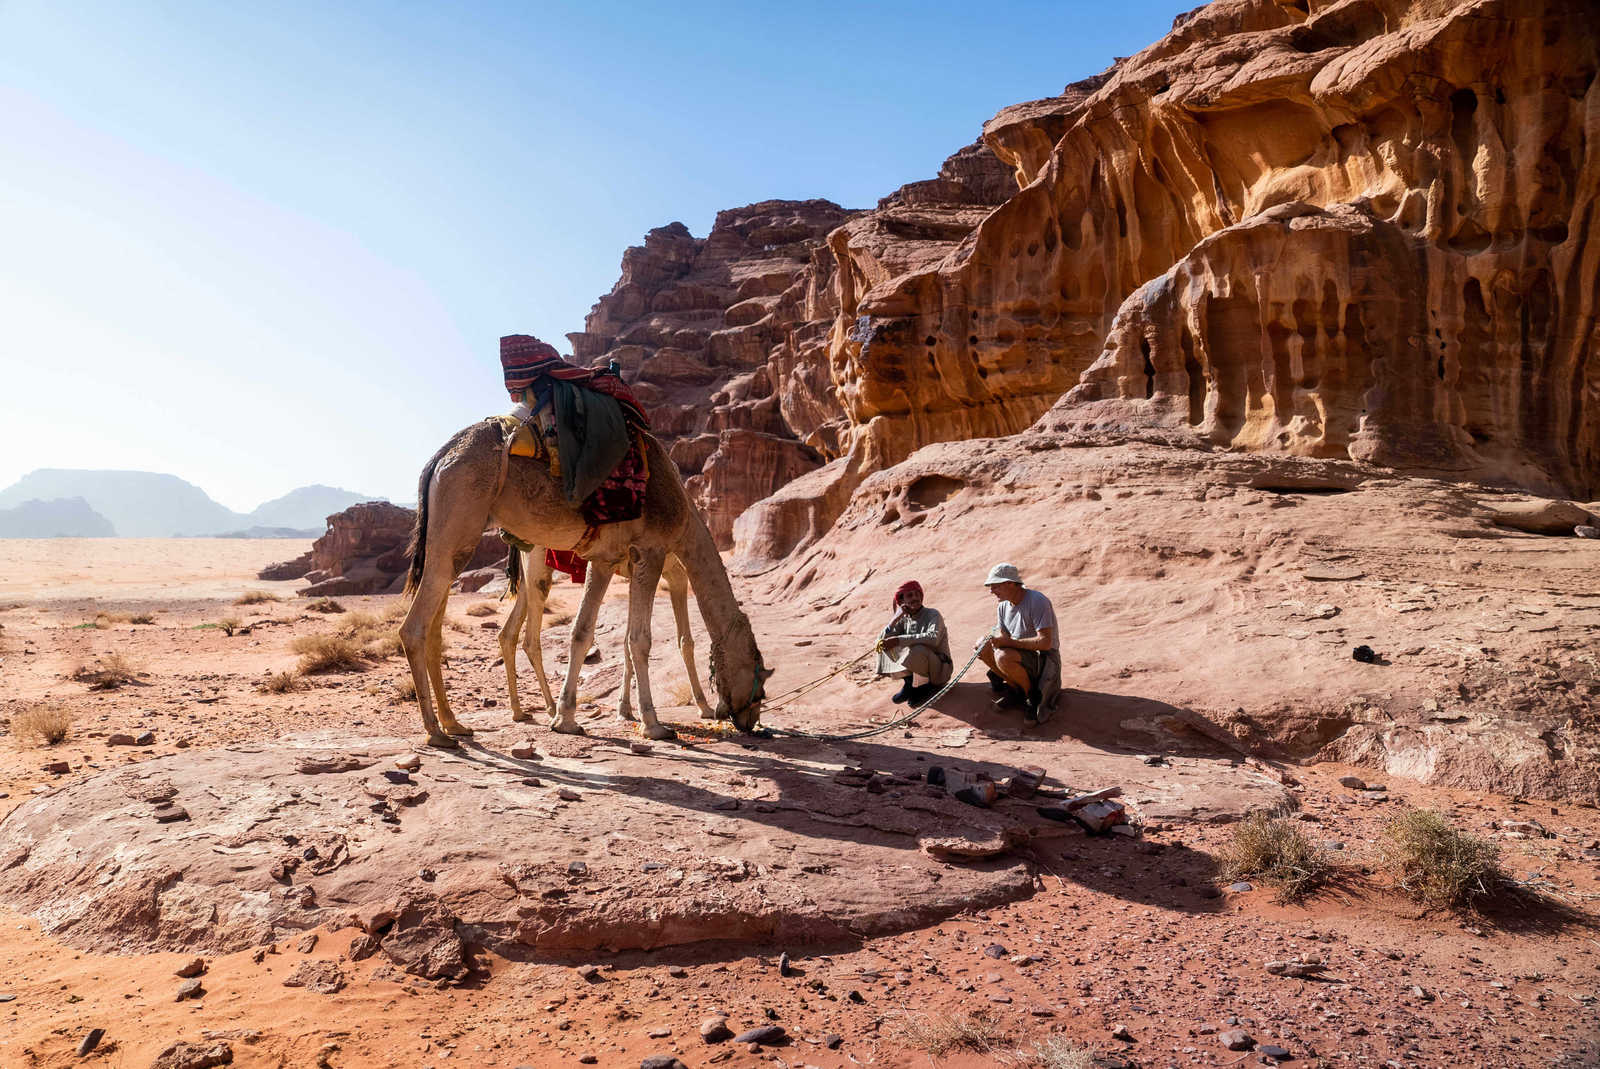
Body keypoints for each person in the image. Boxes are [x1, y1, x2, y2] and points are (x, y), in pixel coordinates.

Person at [974, 562, 1061, 725]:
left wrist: (1009, 642)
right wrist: (994, 641)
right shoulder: (1002, 606)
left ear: (1010, 583)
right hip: (1019, 655)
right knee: (981, 647)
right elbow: (1004, 637)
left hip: (1045, 659)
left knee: (1003, 657)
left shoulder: (1037, 600)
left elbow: (1045, 643)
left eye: (995, 586)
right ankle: (1017, 690)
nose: (991, 591)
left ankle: (1032, 697)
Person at [876, 580, 952, 706]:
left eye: (917, 594)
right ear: (901, 602)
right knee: (883, 643)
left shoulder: (933, 614)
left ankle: (921, 688)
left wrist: (900, 640)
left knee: (918, 649)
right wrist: (894, 620)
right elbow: (883, 640)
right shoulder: (904, 619)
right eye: (910, 595)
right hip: (919, 667)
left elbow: (933, 638)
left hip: (940, 670)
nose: (915, 598)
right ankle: (909, 683)